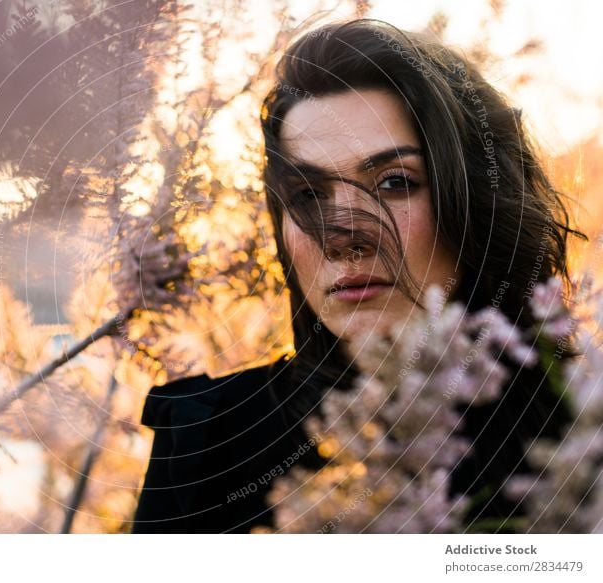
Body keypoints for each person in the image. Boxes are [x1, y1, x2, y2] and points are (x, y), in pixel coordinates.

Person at [131, 18, 582, 534]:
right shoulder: (210, 440)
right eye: (309, 195)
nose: (343, 237)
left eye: (394, 182)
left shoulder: (577, 433)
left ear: (478, 205)